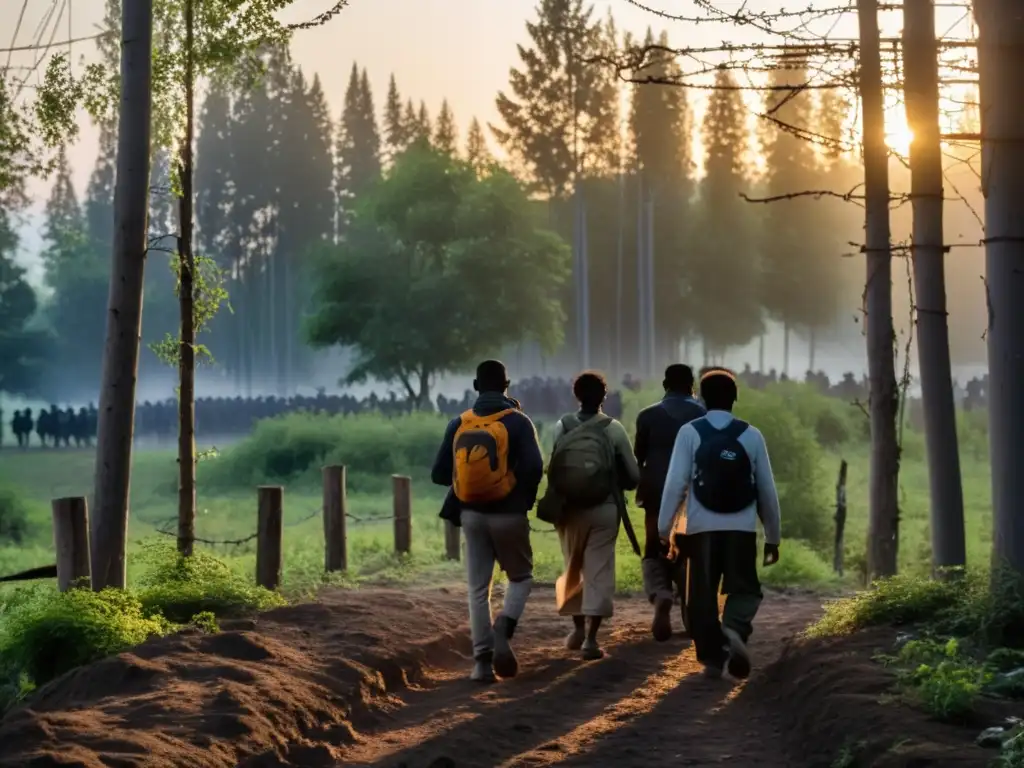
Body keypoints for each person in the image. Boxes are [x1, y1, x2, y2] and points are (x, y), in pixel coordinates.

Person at [658, 368, 781, 680]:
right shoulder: (751, 435)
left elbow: (675, 484)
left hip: (700, 528)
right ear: (735, 398)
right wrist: (772, 535)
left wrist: (664, 530)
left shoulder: (690, 432)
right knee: (745, 588)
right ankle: (735, 629)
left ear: (701, 397)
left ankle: (713, 658)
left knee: (700, 595)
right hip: (741, 527)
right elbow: (766, 490)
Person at [431, 360, 544, 684]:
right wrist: (520, 496)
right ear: (507, 384)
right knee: (520, 578)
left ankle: (481, 664)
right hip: (509, 515)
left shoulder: (459, 423)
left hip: (472, 515)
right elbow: (535, 467)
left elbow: (439, 474)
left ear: (476, 386)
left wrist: (465, 480)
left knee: (478, 589)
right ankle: (503, 629)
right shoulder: (518, 422)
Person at [546, 371, 640, 660]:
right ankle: (591, 639)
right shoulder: (614, 429)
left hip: (569, 509)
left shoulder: (560, 427)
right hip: (604, 508)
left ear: (576, 396)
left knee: (572, 565)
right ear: (604, 397)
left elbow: (550, 468)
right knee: (598, 569)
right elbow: (634, 476)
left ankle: (576, 630)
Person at [634, 364, 706, 642]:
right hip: (694, 493)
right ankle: (692, 609)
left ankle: (661, 594)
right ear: (692, 386)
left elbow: (639, 458)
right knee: (693, 549)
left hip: (655, 492)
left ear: (665, 384)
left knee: (654, 548)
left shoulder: (647, 416)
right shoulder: (703, 414)